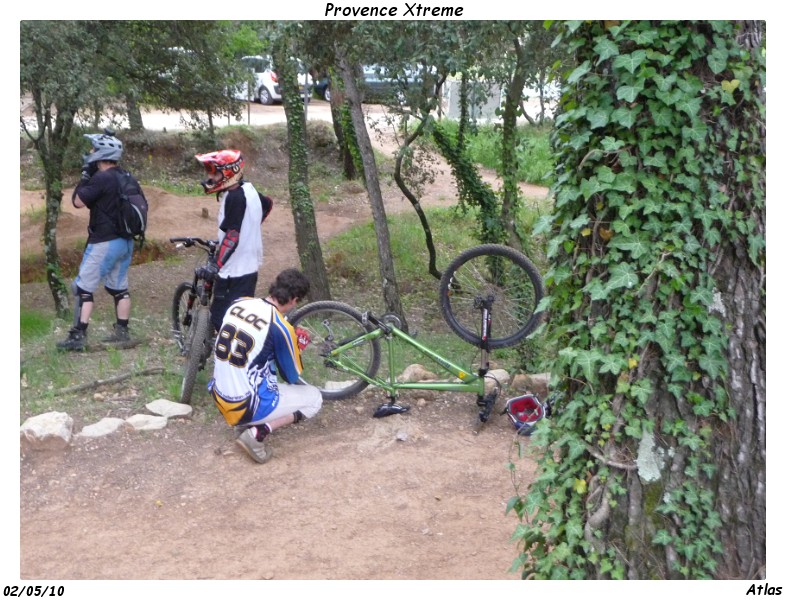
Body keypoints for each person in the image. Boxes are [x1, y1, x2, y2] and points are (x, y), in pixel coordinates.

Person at [208, 269, 322, 464]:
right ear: (294, 300)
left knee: (258, 367)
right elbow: (291, 376)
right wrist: (296, 347)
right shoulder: (280, 326)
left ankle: (249, 419)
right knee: (314, 398)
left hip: (219, 395)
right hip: (245, 406)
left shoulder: (239, 303)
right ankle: (257, 433)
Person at [57, 129, 142, 351]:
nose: (90, 152)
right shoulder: (127, 176)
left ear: (101, 153)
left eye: (93, 149)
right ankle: (122, 332)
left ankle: (78, 336)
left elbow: (77, 201)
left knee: (83, 288)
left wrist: (85, 174)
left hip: (104, 242)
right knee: (118, 288)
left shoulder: (102, 178)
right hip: (126, 241)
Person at [194, 150, 273, 331]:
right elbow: (267, 204)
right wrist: (250, 229)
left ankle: (226, 355)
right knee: (239, 317)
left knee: (221, 320)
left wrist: (216, 265)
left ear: (229, 172)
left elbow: (232, 237)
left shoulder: (234, 198)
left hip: (233, 271)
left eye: (214, 172)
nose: (210, 176)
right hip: (248, 267)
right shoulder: (248, 189)